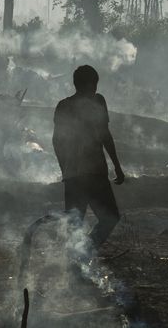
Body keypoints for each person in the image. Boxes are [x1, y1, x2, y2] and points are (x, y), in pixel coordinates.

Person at [52, 64, 126, 248]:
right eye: (94, 85)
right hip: (94, 173)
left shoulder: (64, 106)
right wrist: (116, 165)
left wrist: (65, 169)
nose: (95, 89)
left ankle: (76, 260)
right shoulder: (97, 102)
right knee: (109, 218)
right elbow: (105, 135)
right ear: (87, 85)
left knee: (74, 223)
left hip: (76, 175)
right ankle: (83, 255)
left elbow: (57, 141)